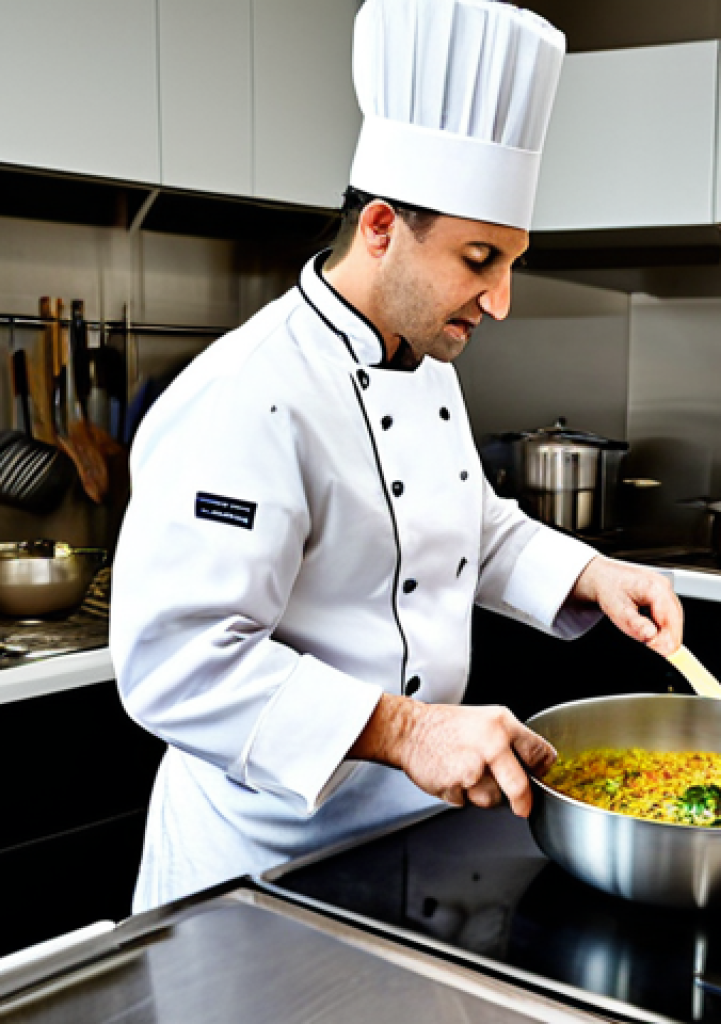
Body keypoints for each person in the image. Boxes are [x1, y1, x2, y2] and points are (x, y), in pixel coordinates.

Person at [111, 0, 682, 913]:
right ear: (380, 227)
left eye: (511, 264)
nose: (498, 301)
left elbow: (460, 524)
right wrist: (409, 730)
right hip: (253, 868)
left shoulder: (422, 358)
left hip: (400, 843)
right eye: (479, 258)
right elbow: (175, 661)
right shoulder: (246, 394)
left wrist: (588, 573)